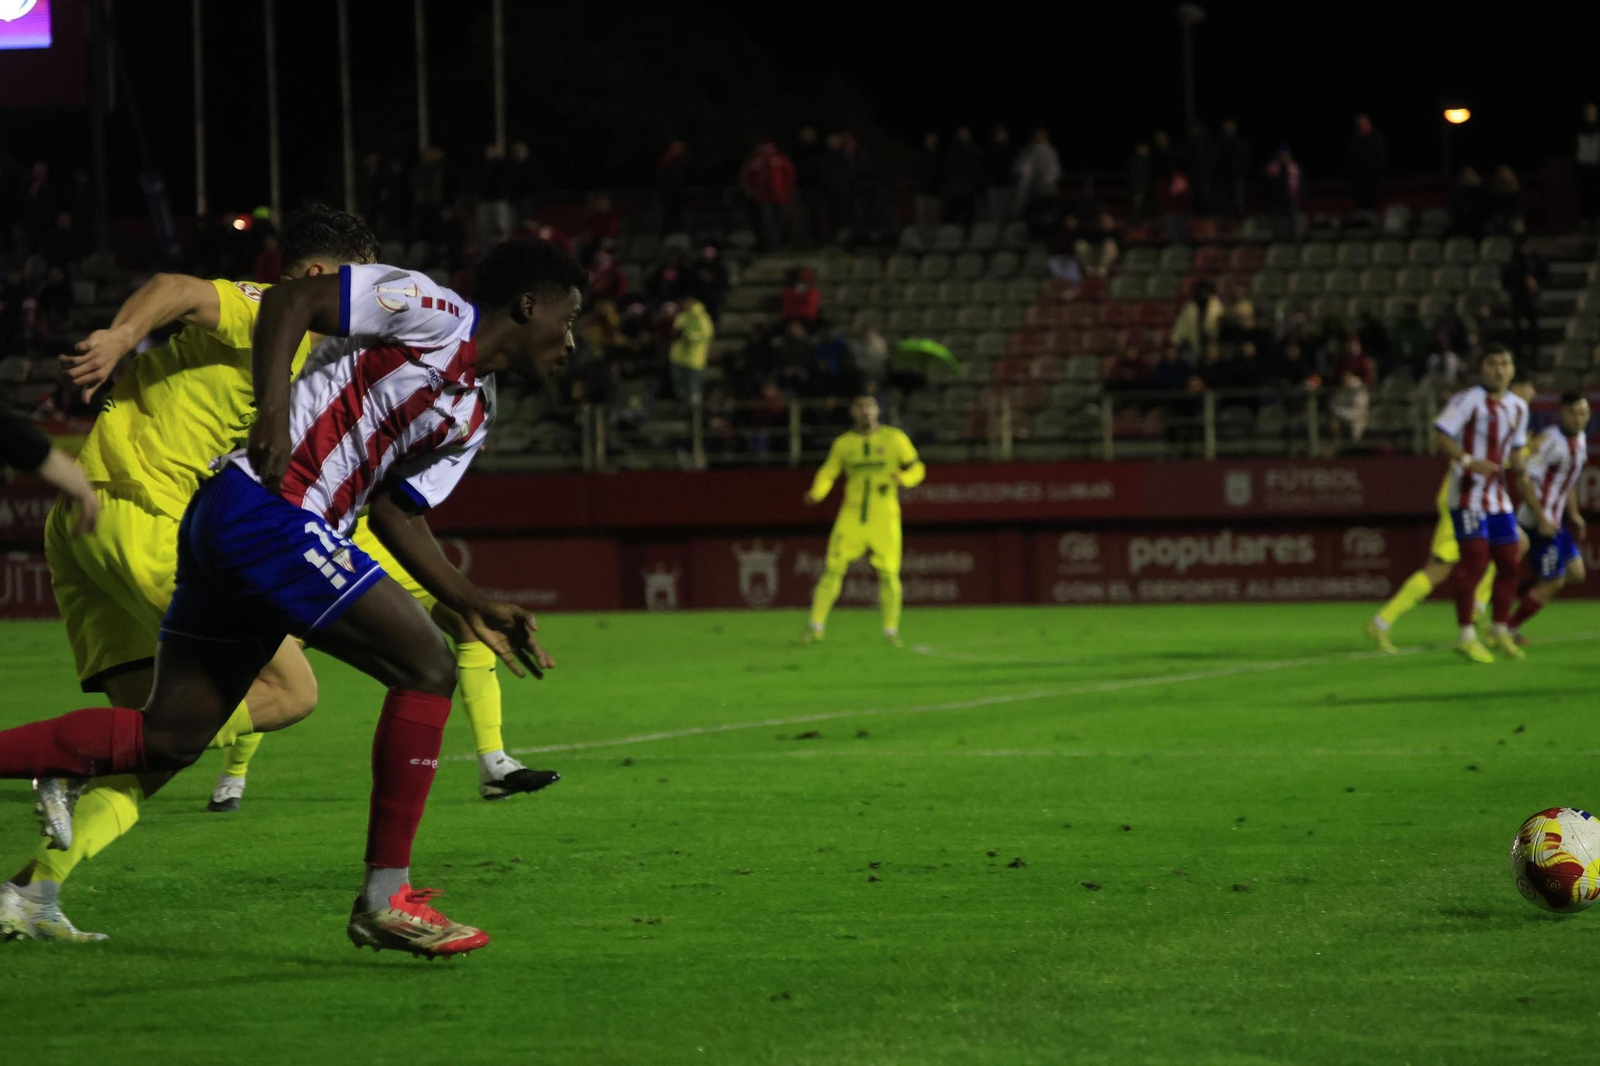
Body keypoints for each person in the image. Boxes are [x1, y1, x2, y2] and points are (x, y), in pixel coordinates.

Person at [0, 240, 582, 957]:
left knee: (170, 736)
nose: (573, 339)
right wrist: (272, 415)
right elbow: (289, 301)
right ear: (529, 306)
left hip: (249, 525)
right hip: (262, 509)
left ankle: (380, 897)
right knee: (425, 668)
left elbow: (397, 512)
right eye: (569, 318)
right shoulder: (430, 309)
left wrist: (471, 599)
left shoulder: (472, 414)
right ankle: (384, 897)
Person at [1366, 368, 1535, 655]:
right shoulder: (1479, 407)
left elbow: (1504, 459)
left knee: (1516, 544)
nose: (1532, 395)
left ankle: (1481, 607)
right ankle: (1382, 622)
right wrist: (1530, 450)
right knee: (1439, 569)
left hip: (1487, 501)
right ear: (1517, 386)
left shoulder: (1511, 414)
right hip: (1463, 499)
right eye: (1529, 388)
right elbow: (1478, 453)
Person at [1431, 346, 1535, 662]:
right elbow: (1440, 434)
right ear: (1483, 369)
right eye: (1492, 363)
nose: (1499, 369)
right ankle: (1465, 635)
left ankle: (1500, 630)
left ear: (1512, 370)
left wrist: (1523, 472)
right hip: (1467, 494)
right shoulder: (1468, 400)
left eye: (1505, 363)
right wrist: (1466, 459)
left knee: (1508, 561)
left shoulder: (1518, 407)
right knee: (1475, 562)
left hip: (1497, 496)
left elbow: (1516, 451)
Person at [799, 394, 926, 647]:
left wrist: (905, 479)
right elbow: (828, 472)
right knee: (833, 569)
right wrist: (817, 492)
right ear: (853, 412)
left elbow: (917, 467)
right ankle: (816, 627)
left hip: (884, 517)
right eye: (861, 407)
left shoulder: (895, 439)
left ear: (878, 410)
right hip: (852, 515)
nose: (866, 411)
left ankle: (890, 631)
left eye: (870, 406)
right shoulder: (844, 444)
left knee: (889, 574)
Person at [1507, 394, 1590, 641]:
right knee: (1554, 581)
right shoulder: (1550, 442)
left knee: (1576, 574)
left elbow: (1568, 480)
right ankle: (1508, 628)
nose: (1579, 418)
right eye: (1573, 413)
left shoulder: (1581, 439)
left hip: (1555, 522)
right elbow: (1525, 481)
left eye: (1584, 413)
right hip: (1537, 522)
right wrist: (1541, 517)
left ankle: (1522, 593)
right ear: (1562, 413)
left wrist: (1573, 513)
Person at [1502, 235, 1549, 363]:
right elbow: (1506, 280)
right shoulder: (1513, 261)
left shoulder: (1536, 260)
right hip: (1518, 298)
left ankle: (1535, 354)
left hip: (1532, 299)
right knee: (1517, 328)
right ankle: (1518, 355)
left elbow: (1545, 276)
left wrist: (1537, 284)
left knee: (1533, 326)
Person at [670, 295, 715, 404]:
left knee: (693, 383)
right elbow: (676, 331)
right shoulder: (682, 316)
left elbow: (707, 334)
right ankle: (683, 403)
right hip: (678, 355)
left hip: (694, 357)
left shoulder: (701, 317)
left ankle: (694, 408)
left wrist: (690, 337)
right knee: (678, 380)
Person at [942, 125, 984, 227]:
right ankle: (954, 231)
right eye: (961, 132)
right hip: (956, 185)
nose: (963, 135)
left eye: (965, 132)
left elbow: (979, 165)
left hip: (970, 185)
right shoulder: (953, 149)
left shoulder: (975, 148)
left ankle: (968, 233)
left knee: (969, 210)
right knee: (955, 210)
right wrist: (950, 182)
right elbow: (948, 166)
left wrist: (976, 181)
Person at [1346, 114, 1388, 211]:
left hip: (1373, 179)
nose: (1366, 126)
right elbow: (1351, 161)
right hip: (1358, 180)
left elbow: (1381, 159)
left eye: (1367, 124)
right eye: (1363, 125)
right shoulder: (1354, 141)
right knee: (1360, 204)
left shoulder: (1376, 140)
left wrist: (1377, 174)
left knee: (1372, 203)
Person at [1215, 119, 1252, 218]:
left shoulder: (1240, 142)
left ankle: (1237, 223)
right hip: (1222, 178)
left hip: (1237, 177)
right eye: (1227, 128)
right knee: (1223, 203)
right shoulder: (1218, 142)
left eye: (1231, 127)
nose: (1229, 130)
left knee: (1237, 202)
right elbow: (1215, 159)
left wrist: (1241, 171)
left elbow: (1246, 159)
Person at [983, 125, 1013, 223]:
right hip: (992, 183)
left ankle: (1004, 231)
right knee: (993, 209)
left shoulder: (1011, 149)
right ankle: (994, 229)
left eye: (1003, 134)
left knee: (1005, 208)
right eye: (999, 134)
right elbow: (986, 166)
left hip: (1006, 183)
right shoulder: (990, 148)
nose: (1001, 136)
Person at [913, 132, 943, 230]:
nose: (931, 142)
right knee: (921, 216)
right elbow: (915, 171)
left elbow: (941, 174)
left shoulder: (939, 156)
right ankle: (922, 241)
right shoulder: (920, 155)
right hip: (921, 191)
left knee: (934, 217)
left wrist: (939, 187)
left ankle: (934, 240)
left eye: (933, 140)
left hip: (934, 192)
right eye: (929, 139)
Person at [1579, 105, 1600, 229]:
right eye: (1588, 112)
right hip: (1583, 164)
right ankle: (1585, 218)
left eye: (1593, 112)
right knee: (1585, 191)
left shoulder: (1598, 128)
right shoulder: (1580, 128)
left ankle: (1597, 217)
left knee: (1596, 191)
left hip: (1596, 164)